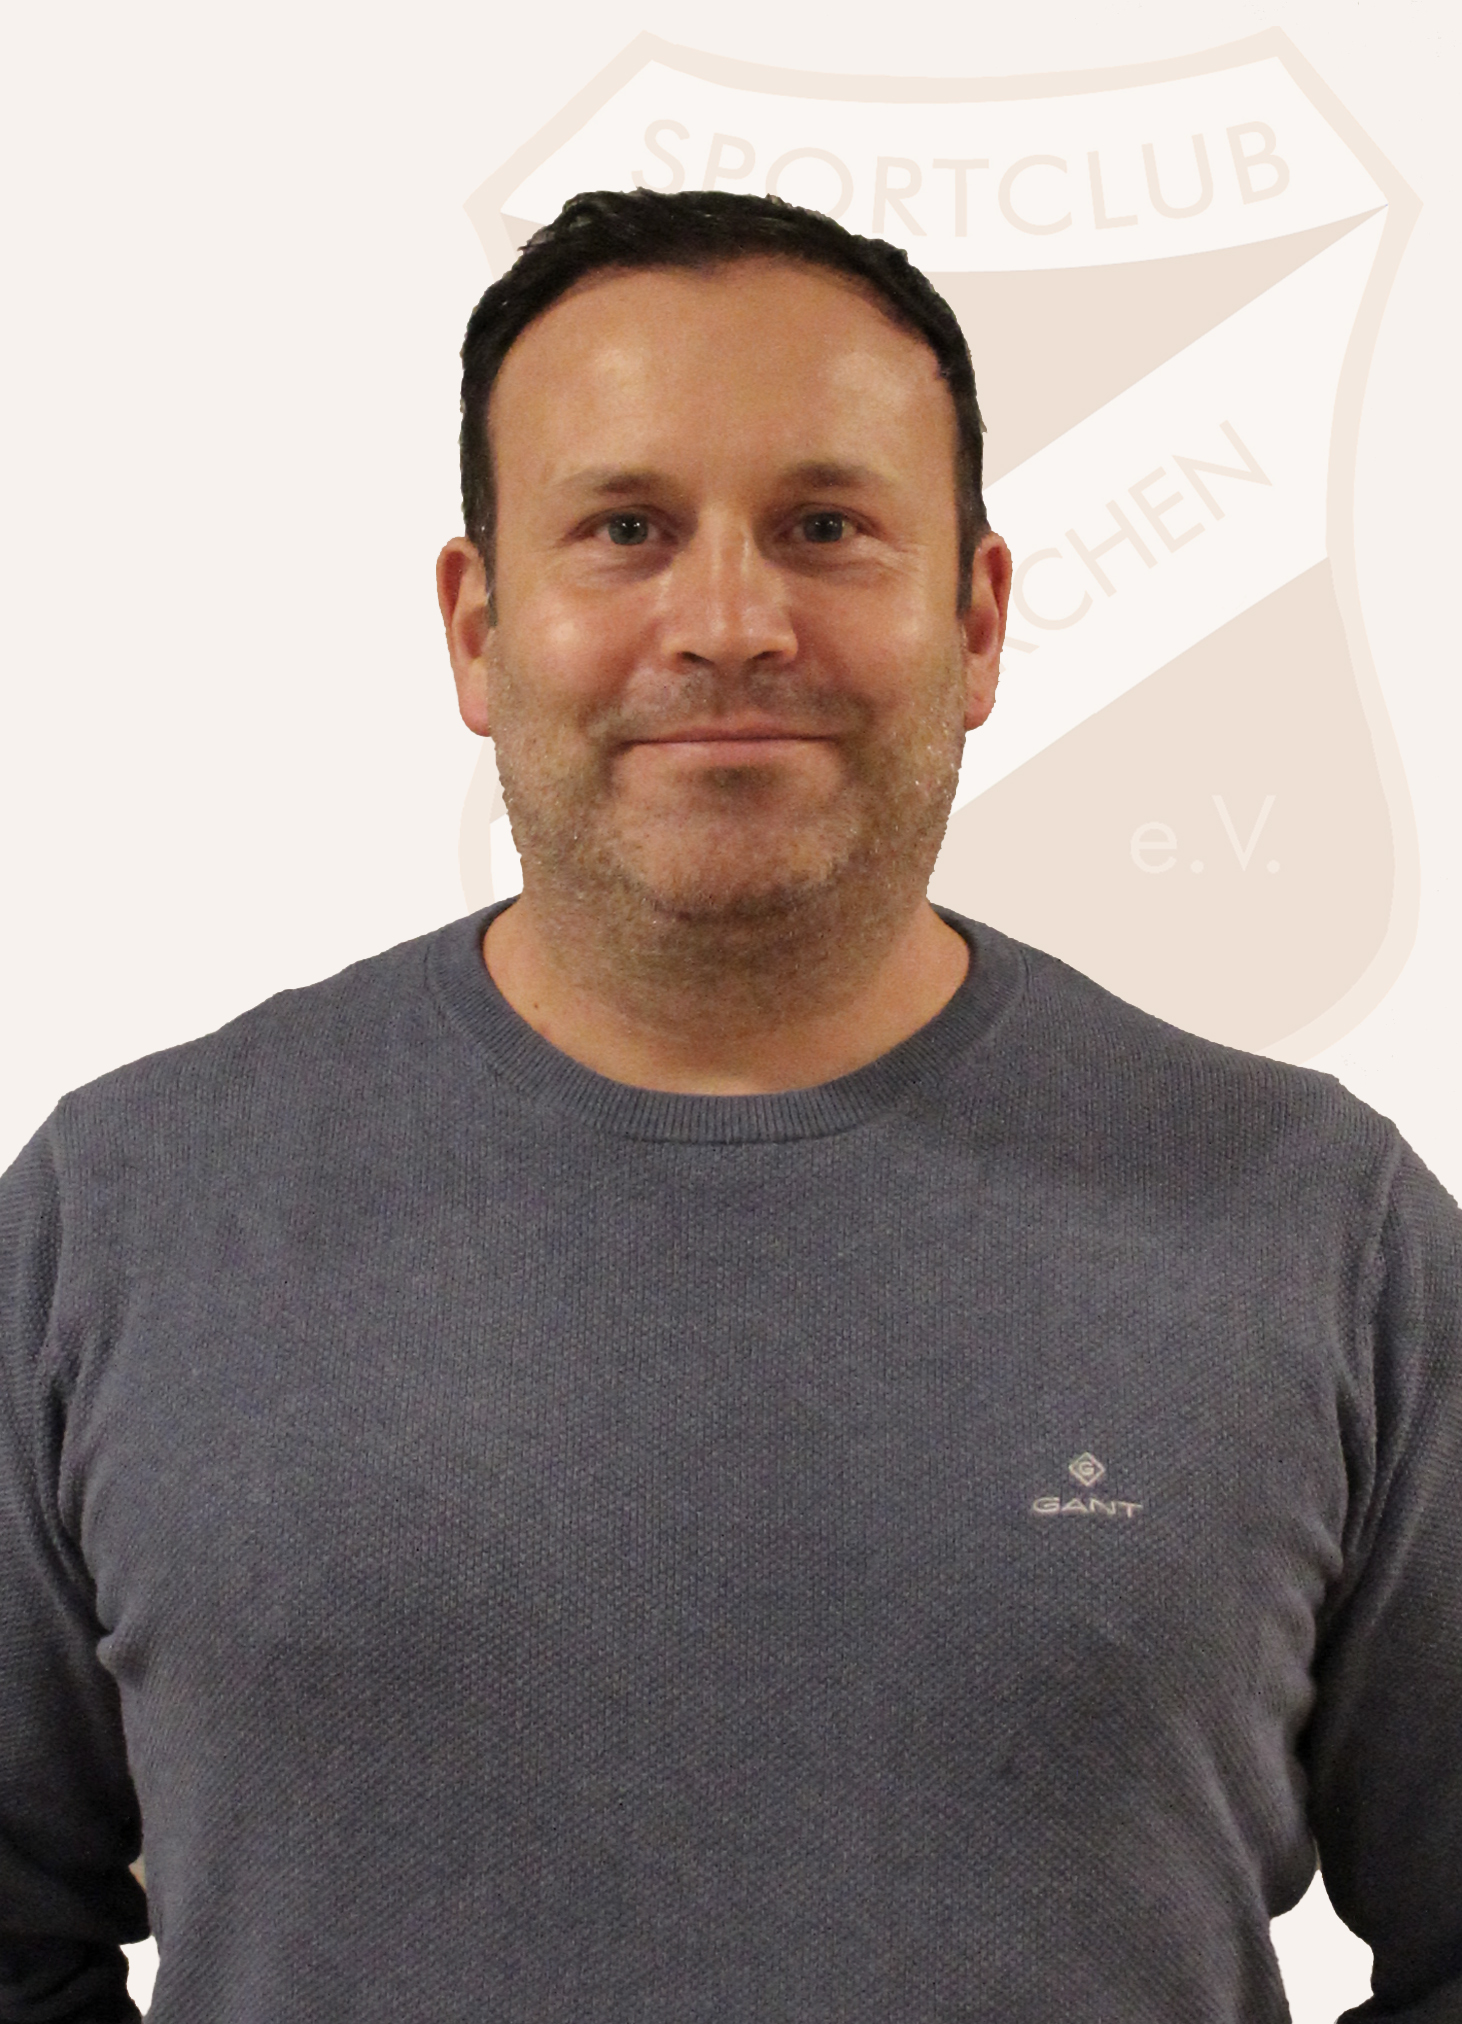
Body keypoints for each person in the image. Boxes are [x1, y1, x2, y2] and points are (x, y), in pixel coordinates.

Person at [1, 187, 1458, 2024]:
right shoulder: (124, 1218)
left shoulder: (1317, 1231)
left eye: (824, 527)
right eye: (624, 529)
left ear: (976, 617)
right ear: (476, 628)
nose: (728, 622)